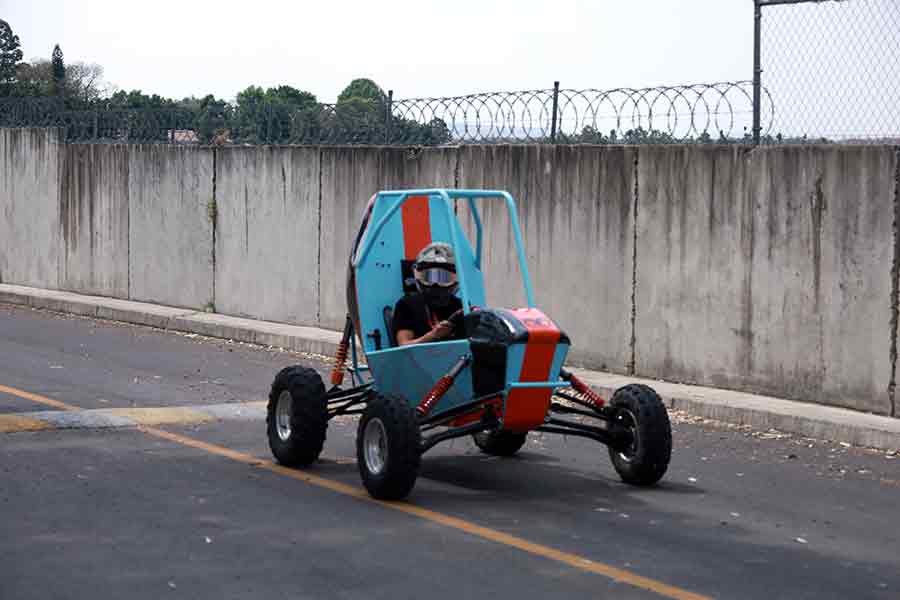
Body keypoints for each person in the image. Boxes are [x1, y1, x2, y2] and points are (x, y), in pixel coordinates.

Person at [393, 242, 464, 345]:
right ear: (419, 276)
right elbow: (404, 345)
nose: (435, 284)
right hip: (418, 360)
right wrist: (433, 335)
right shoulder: (406, 305)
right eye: (429, 276)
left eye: (443, 277)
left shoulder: (460, 307)